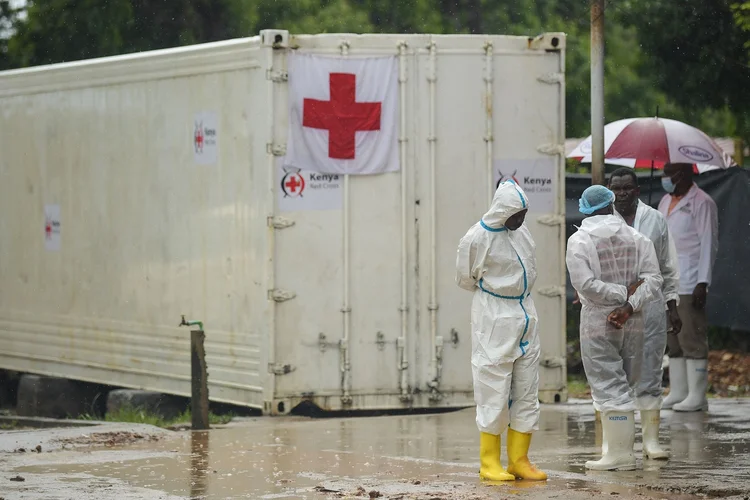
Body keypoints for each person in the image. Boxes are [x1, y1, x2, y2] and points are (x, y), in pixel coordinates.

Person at [566, 185, 663, 471]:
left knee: (609, 387)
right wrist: (628, 303)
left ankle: (619, 455)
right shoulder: (638, 238)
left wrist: (619, 297)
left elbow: (585, 285)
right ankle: (616, 449)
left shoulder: (580, 241)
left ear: (585, 208)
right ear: (611, 204)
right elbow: (653, 280)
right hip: (634, 321)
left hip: (598, 322)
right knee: (625, 385)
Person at [456, 180, 547, 482]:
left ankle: (519, 460)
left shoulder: (520, 233)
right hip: (493, 315)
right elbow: (465, 278)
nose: (521, 219)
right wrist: (496, 294)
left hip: (525, 314)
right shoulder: (476, 237)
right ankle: (489, 462)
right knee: (493, 386)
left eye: (524, 213)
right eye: (517, 214)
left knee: (526, 388)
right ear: (504, 210)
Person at [609, 167, 681, 460]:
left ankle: (651, 441)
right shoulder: (601, 221)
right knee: (616, 373)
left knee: (649, 371)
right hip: (615, 305)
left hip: (650, 306)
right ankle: (618, 445)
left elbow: (668, 265)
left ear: (637, 190)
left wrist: (672, 305)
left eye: (628, 188)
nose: (622, 193)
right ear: (610, 191)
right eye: (617, 189)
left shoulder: (655, 219)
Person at [658, 163, 719, 412]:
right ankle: (679, 391)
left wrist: (702, 282)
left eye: (667, 174)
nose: (664, 179)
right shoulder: (664, 200)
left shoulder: (702, 202)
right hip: (667, 281)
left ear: (680, 175)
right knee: (673, 339)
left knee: (691, 336)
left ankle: (697, 395)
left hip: (690, 279)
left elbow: (709, 243)